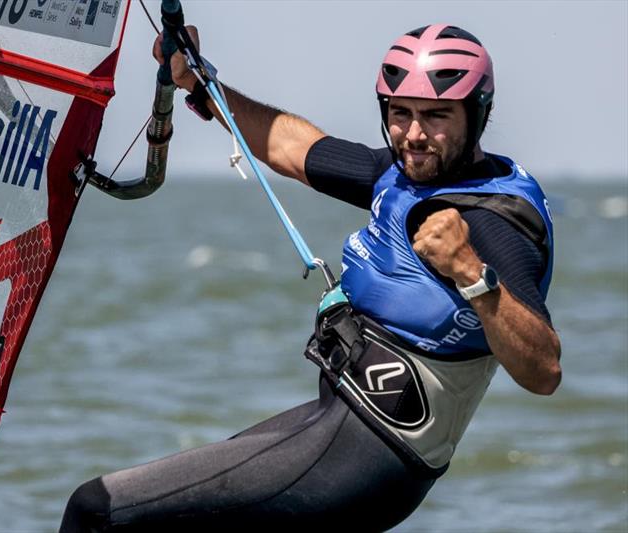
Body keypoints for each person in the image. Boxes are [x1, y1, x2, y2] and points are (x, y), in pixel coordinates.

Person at [60, 23, 561, 532]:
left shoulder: (493, 220)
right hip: (338, 424)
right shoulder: (404, 172)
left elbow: (543, 371)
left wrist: (472, 273)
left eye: (436, 117)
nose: (413, 134)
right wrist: (199, 83)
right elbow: (296, 149)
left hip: (370, 454)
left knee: (95, 510)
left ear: (477, 114)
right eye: (399, 113)